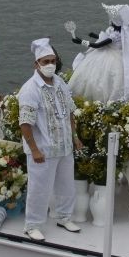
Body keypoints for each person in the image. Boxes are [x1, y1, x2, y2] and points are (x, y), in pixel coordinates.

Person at [18, 38, 83, 242]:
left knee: (66, 185)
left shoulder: (60, 83)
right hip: (43, 149)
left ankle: (64, 217)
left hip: (64, 147)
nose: (50, 65)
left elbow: (70, 112)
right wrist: (34, 149)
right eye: (45, 61)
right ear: (36, 64)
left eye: (52, 60)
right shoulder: (30, 89)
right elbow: (25, 123)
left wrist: (75, 137)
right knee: (39, 188)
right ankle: (32, 225)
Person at [68, 3, 129, 103]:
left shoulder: (115, 35)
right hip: (111, 54)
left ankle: (101, 100)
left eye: (112, 19)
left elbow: (99, 45)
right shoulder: (119, 33)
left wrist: (81, 42)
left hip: (111, 57)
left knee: (103, 80)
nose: (110, 21)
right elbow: (105, 38)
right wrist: (95, 36)